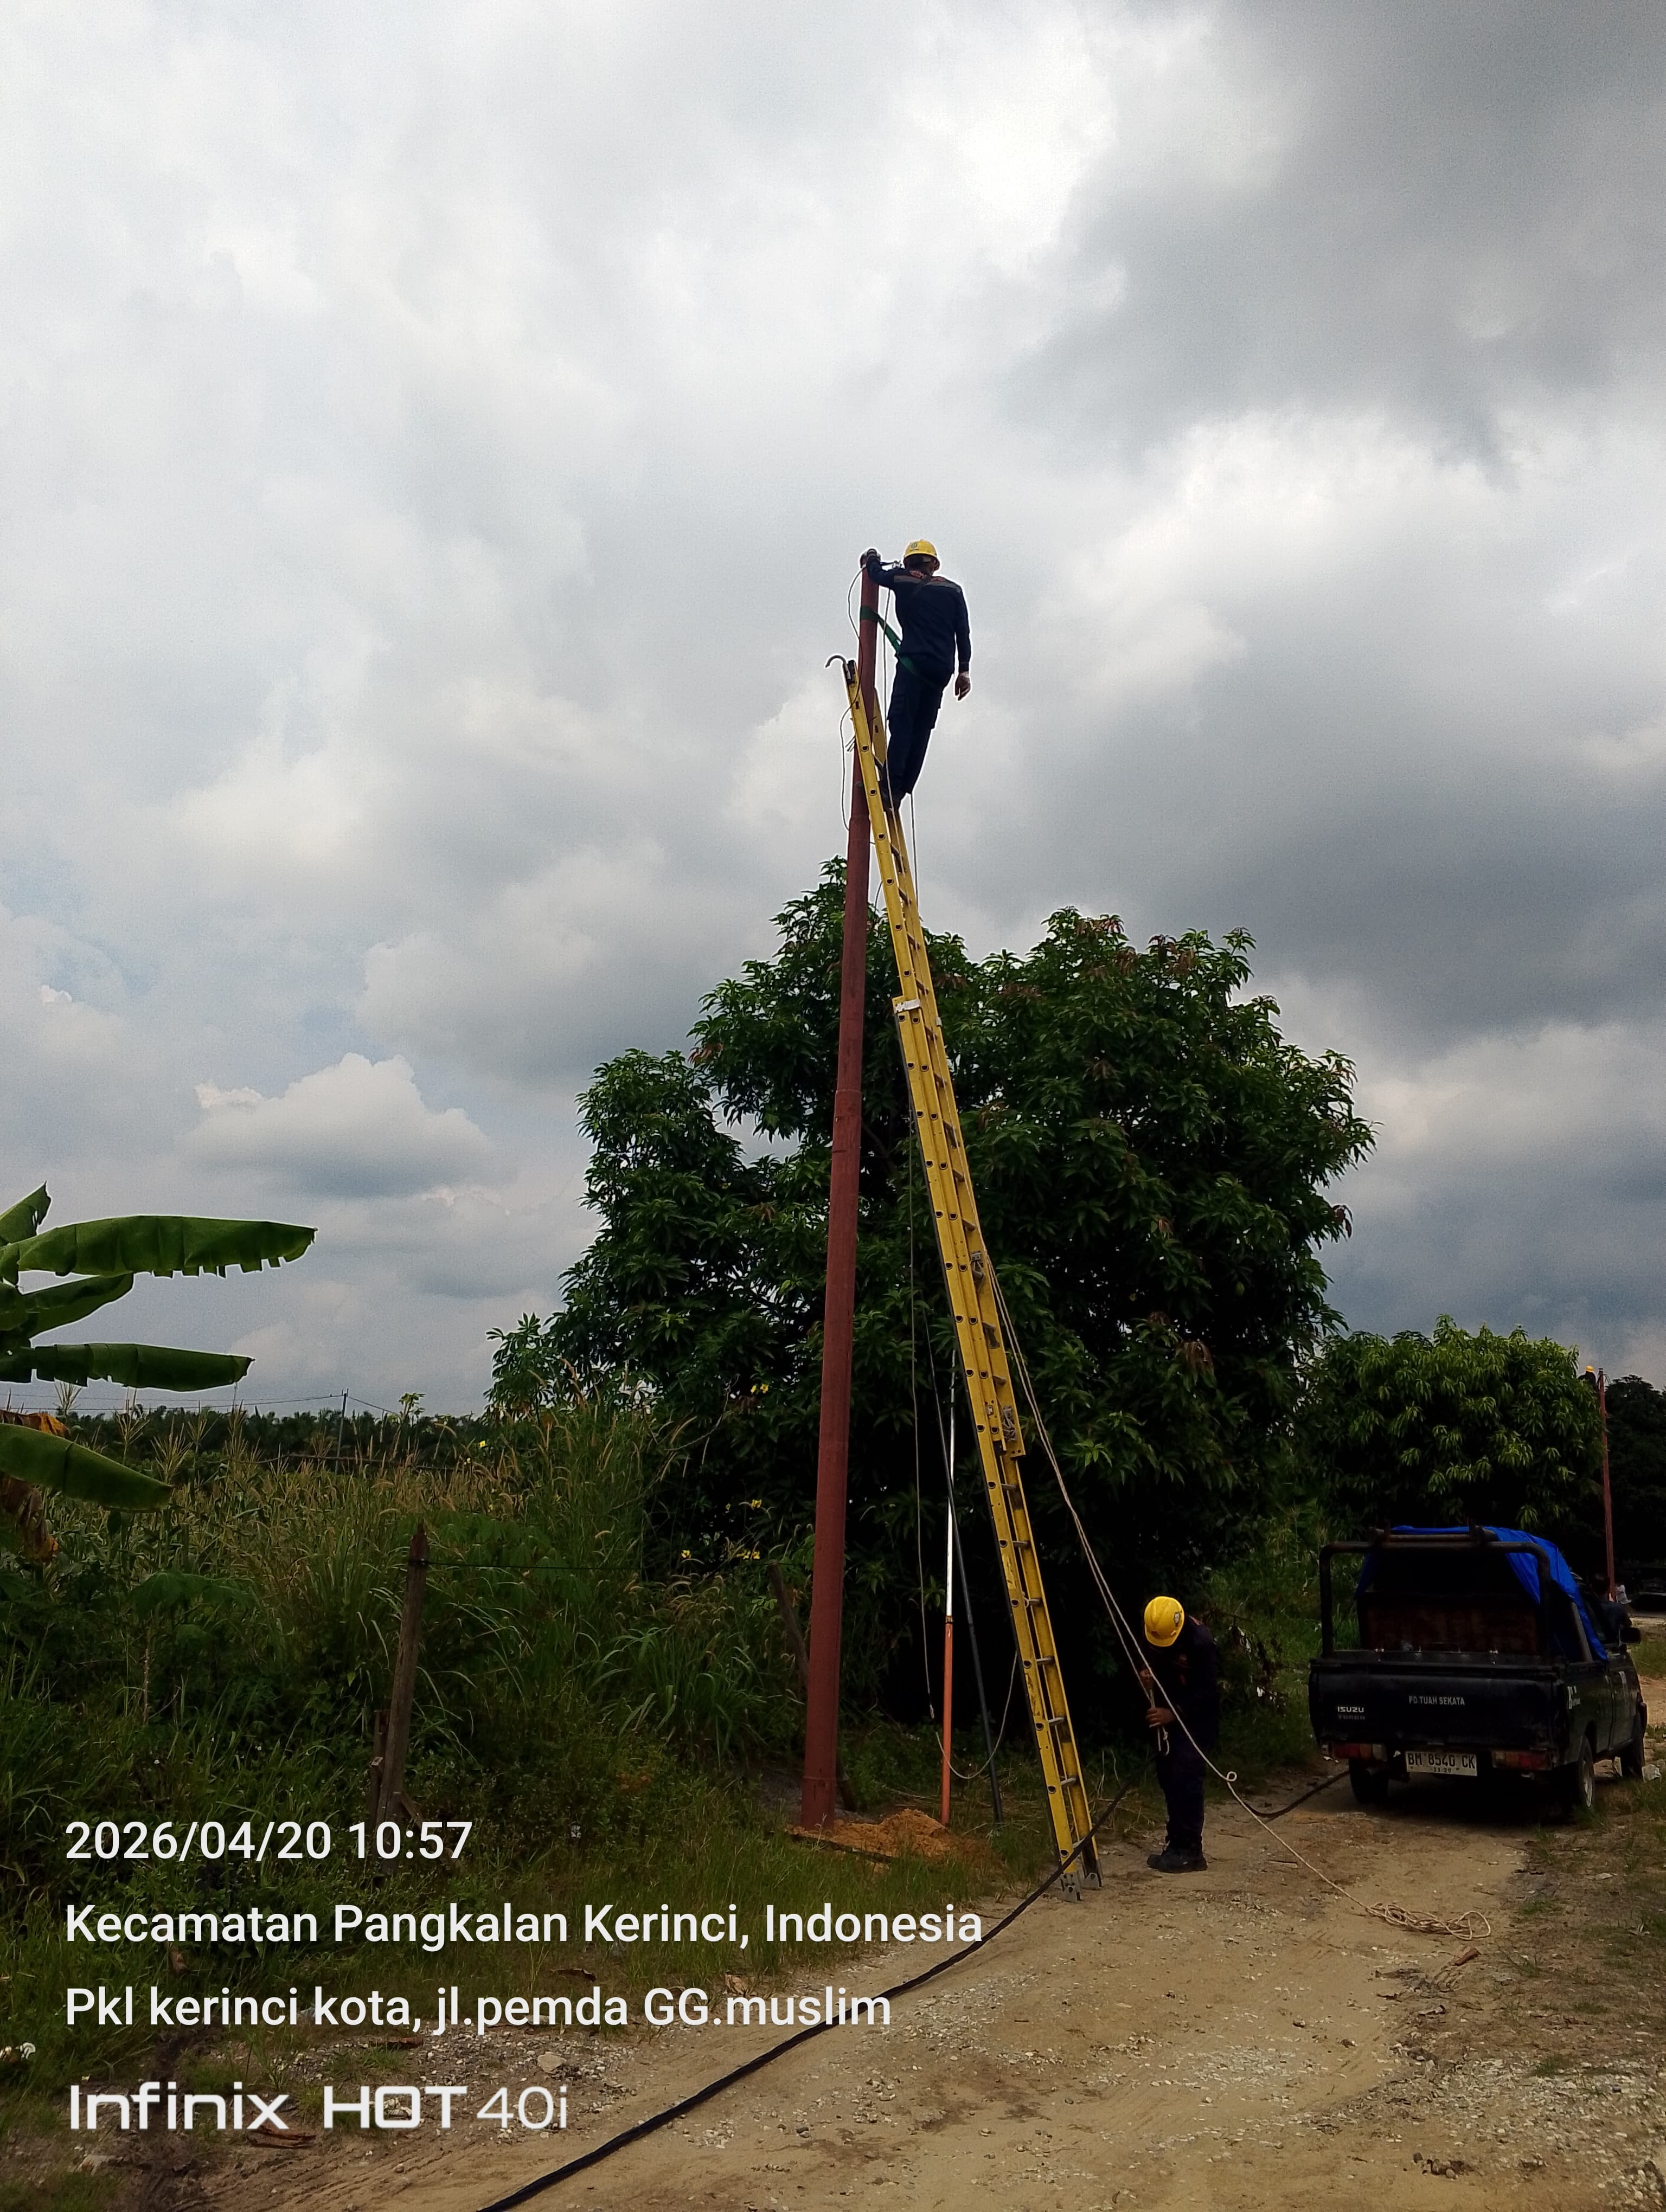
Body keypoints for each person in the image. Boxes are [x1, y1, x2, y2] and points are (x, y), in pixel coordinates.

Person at [860, 543, 971, 808]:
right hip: (941, 673)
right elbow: (963, 633)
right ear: (934, 564)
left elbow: (876, 574)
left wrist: (873, 557)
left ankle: (889, 787)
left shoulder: (903, 579)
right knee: (922, 731)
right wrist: (964, 671)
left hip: (913, 666)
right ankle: (900, 791)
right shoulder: (953, 590)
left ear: (909, 562)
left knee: (902, 725)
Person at [1138, 1594, 1220, 1873]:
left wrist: (1173, 1713)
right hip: (1167, 1714)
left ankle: (1191, 1851)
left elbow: (1207, 1692)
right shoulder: (1156, 1631)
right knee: (1168, 1776)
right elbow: (1155, 1665)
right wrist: (1147, 1678)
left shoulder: (1201, 1643)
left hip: (1196, 1719)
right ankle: (1175, 1842)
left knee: (1187, 1775)